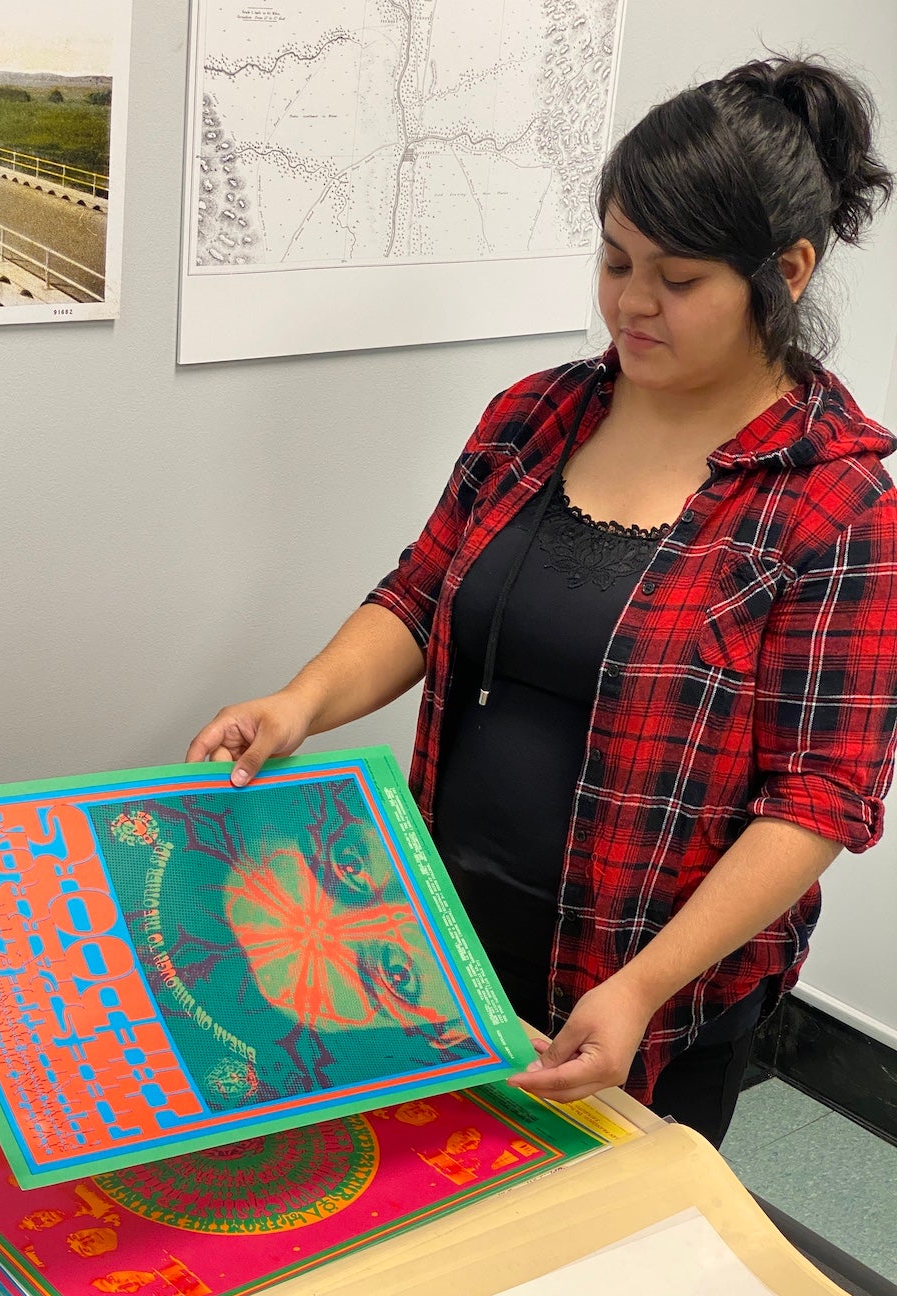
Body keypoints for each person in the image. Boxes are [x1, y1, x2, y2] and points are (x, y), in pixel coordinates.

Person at [188, 56, 897, 1147]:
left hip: (642, 978)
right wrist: (297, 706)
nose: (629, 302)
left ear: (786, 272)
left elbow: (819, 798)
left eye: (677, 278)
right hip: (446, 930)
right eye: (613, 261)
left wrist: (643, 987)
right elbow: (423, 594)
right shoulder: (536, 414)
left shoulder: (836, 502)